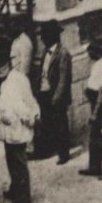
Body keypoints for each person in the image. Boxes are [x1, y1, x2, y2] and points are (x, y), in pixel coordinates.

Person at [0, 56, 39, 203]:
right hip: (10, 129)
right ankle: (15, 189)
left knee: (18, 163)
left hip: (17, 127)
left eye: (0, 68)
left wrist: (28, 119)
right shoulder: (9, 80)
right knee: (11, 160)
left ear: (7, 65)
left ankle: (23, 199)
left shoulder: (14, 82)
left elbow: (21, 105)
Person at [37, 21, 73, 165]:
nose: (42, 39)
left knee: (60, 123)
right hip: (45, 91)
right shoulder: (45, 51)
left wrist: (57, 96)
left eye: (44, 36)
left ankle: (64, 153)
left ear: (52, 36)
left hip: (57, 94)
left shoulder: (63, 53)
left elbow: (64, 78)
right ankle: (50, 148)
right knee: (47, 121)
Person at [80, 37, 102, 178]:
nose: (88, 54)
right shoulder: (98, 64)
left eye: (90, 51)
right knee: (95, 136)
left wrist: (95, 112)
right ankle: (94, 166)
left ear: (96, 51)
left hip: (101, 105)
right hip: (95, 102)